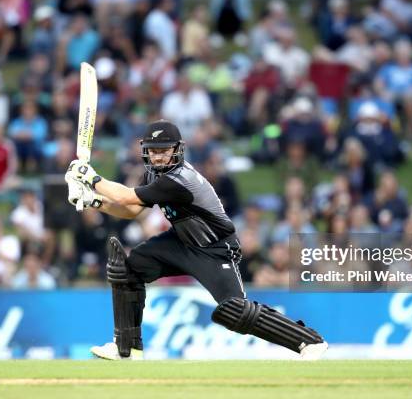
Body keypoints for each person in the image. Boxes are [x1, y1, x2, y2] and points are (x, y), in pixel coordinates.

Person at [65, 119, 327, 360]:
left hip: (215, 249)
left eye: (164, 150)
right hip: (181, 241)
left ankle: (309, 341)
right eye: (153, 150)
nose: (157, 156)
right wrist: (93, 201)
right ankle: (127, 348)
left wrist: (90, 177)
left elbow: (124, 197)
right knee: (128, 268)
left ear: (177, 150)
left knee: (234, 310)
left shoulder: (180, 180)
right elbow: (131, 210)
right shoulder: (156, 174)